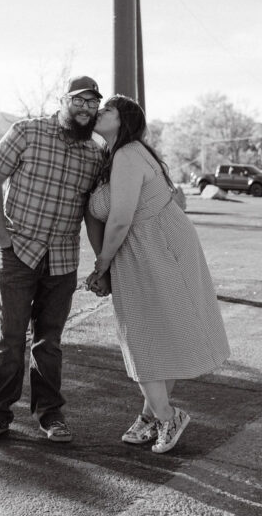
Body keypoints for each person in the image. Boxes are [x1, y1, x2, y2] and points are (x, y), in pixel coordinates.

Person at [86, 95, 230, 454]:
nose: (98, 112)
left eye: (107, 110)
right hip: (147, 248)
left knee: (144, 333)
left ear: (124, 120)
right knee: (156, 330)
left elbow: (120, 218)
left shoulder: (128, 154)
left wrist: (101, 264)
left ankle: (168, 414)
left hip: (155, 246)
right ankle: (151, 415)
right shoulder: (118, 154)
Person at [0, 75, 105, 444]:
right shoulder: (27, 132)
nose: (85, 108)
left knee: (49, 342)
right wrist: (2, 238)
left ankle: (51, 415)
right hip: (19, 254)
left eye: (92, 103)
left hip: (62, 260)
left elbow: (93, 213)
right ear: (63, 101)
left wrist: (101, 262)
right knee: (9, 339)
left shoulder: (94, 154)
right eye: (79, 101)